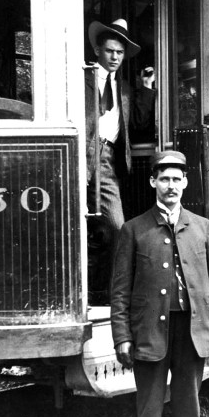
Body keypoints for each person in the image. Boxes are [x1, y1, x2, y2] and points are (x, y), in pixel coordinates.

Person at [110, 150, 209, 417]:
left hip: (192, 333)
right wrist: (122, 336)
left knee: (187, 410)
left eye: (177, 179)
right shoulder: (134, 230)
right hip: (150, 332)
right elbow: (121, 290)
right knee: (148, 413)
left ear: (186, 182)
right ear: (153, 182)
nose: (171, 185)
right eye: (164, 179)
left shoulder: (202, 228)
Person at [85, 18, 157, 304]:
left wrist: (146, 88)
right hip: (81, 154)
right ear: (97, 51)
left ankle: (101, 293)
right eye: (109, 51)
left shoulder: (125, 89)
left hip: (107, 161)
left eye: (119, 53)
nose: (114, 57)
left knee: (116, 226)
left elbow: (137, 124)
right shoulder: (83, 78)